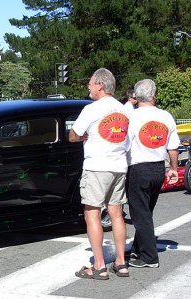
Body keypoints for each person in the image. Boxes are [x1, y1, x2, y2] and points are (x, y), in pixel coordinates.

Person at [69, 68, 130, 280]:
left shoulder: (92, 109)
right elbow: (127, 140)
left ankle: (99, 265)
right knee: (116, 214)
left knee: (92, 214)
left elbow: (73, 135)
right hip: (119, 166)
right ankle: (121, 263)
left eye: (90, 83)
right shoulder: (124, 110)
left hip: (96, 167)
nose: (88, 86)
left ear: (100, 85)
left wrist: (84, 136)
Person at [126, 79, 180, 268]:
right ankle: (137, 247)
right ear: (154, 95)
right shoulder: (166, 116)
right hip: (158, 166)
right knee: (146, 211)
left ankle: (149, 256)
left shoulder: (131, 117)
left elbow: (124, 145)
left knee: (140, 214)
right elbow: (173, 147)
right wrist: (173, 168)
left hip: (138, 167)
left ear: (136, 96)